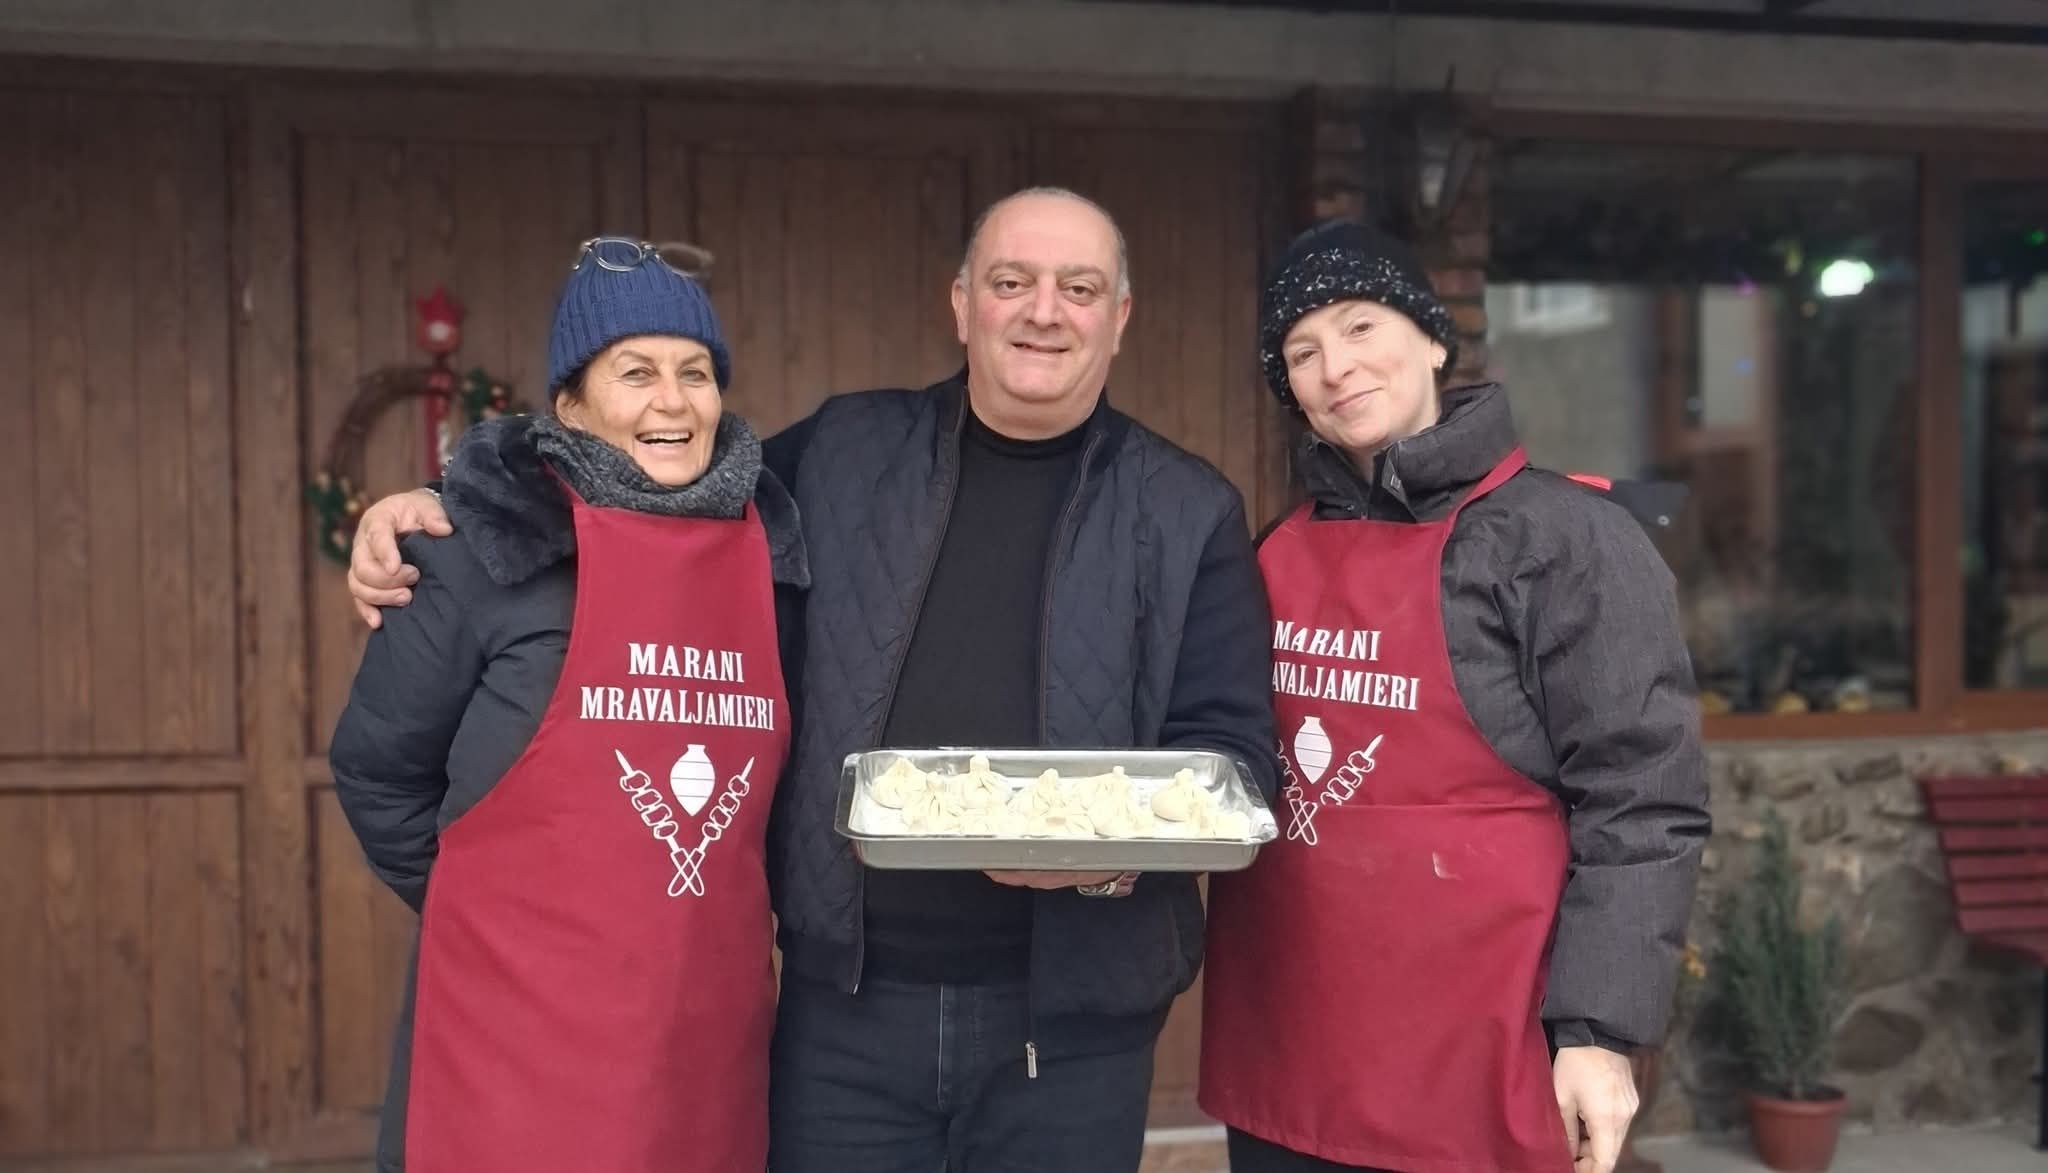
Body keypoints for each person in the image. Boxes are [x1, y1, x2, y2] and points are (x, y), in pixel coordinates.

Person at [345, 188, 1278, 1173]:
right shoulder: (841, 453)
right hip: (846, 1024)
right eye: (1011, 281)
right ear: (961, 303)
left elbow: (1234, 758)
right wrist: (450, 503)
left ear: (1118, 317)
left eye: (1077, 288)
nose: (1043, 310)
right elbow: (652, 481)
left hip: (1072, 1038)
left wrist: (1101, 858)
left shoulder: (1188, 512)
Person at [1198, 221, 1710, 1173]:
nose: (1335, 367)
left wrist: (1600, 1031)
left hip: (1480, 1053)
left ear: (1434, 338)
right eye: (1301, 353)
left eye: (1360, 326)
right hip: (1290, 1053)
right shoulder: (1273, 548)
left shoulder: (1565, 540)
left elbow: (1644, 795)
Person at [328, 237, 807, 1173]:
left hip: (702, 1046)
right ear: (571, 405)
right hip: (512, 1043)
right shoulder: (476, 549)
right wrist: (504, 921)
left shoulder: (776, 553)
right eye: (636, 372)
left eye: (695, 372)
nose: (673, 401)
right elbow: (377, 770)